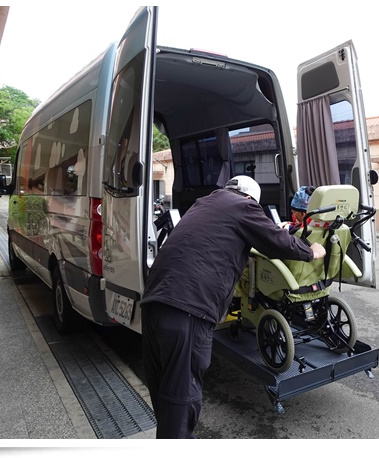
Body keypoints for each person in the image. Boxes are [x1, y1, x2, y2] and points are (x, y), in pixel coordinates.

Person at [140, 175, 326, 438]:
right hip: (189, 309)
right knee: (181, 400)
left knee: (164, 394)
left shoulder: (203, 204)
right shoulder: (244, 207)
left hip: (153, 302)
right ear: (251, 199)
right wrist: (311, 250)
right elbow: (277, 240)